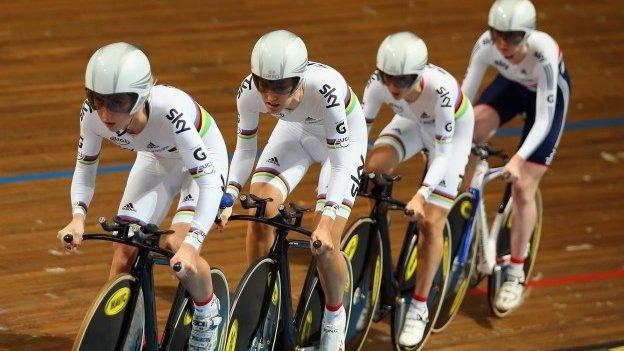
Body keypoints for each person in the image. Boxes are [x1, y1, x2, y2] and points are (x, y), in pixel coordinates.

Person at [56, 42, 229, 351]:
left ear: (141, 98)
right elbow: (85, 168)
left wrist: (193, 243)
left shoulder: (170, 112)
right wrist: (77, 218)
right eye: (97, 100)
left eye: (118, 102)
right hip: (155, 158)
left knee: (177, 246)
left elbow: (208, 182)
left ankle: (207, 311)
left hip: (201, 164)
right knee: (124, 250)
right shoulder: (92, 116)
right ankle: (132, 335)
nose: (106, 113)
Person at [219, 30, 367, 350]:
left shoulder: (326, 90)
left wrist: (326, 221)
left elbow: (341, 163)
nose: (270, 96)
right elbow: (245, 150)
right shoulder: (248, 92)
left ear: (299, 80)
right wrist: (229, 193)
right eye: (263, 84)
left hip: (341, 145)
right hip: (296, 132)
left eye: (280, 86)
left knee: (324, 242)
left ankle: (333, 317)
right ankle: (260, 305)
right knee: (259, 205)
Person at [361, 32, 474, 346]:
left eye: (404, 80)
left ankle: (419, 306)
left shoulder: (442, 91)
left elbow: (441, 153)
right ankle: (377, 235)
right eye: (388, 79)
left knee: (429, 222)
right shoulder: (376, 85)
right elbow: (359, 134)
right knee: (373, 170)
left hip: (449, 137)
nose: (395, 88)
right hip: (410, 123)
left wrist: (421, 194)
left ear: (420, 73)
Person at [461, 0, 571, 312]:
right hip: (510, 86)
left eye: (511, 38)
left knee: (523, 186)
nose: (502, 44)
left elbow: (544, 119)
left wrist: (518, 159)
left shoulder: (544, 52)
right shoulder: (486, 45)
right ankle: (464, 215)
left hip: (547, 100)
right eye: (497, 35)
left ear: (527, 34)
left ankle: (515, 271)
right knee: (468, 134)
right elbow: (466, 98)